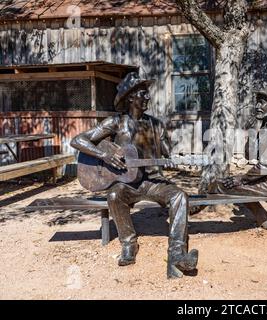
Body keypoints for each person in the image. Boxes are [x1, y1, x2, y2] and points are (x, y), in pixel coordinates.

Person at [71, 72, 198, 279]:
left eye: (147, 94)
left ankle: (177, 254)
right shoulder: (115, 122)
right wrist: (104, 154)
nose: (147, 97)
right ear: (130, 97)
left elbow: (168, 152)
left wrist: (174, 153)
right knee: (114, 196)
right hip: (126, 183)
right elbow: (78, 140)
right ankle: (128, 243)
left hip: (154, 181)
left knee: (180, 196)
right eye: (143, 93)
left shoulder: (156, 124)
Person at [209, 84, 267, 229]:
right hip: (264, 177)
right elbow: (249, 155)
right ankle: (264, 220)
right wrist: (252, 131)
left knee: (219, 185)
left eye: (262, 103)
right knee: (227, 183)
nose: (257, 106)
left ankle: (189, 210)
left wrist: (241, 178)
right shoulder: (266, 126)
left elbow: (266, 166)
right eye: (257, 102)